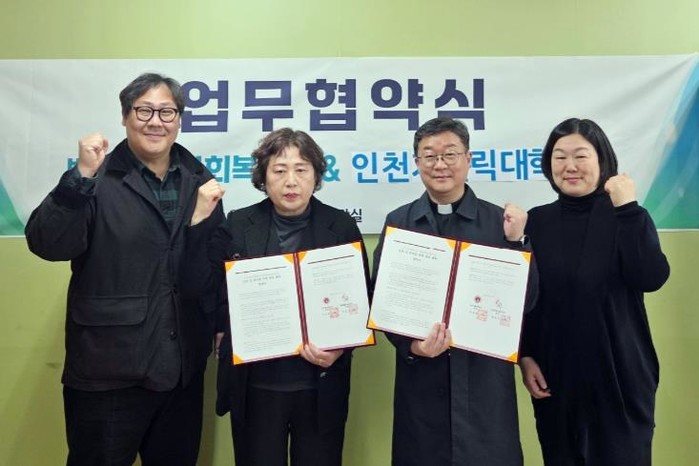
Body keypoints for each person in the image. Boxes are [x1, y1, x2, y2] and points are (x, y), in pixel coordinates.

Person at [24, 72, 225, 466]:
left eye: (167, 112)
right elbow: (47, 243)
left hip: (180, 369)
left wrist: (218, 324)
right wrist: (80, 177)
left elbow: (211, 269)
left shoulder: (199, 180)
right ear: (125, 116)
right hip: (107, 370)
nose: (156, 121)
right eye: (144, 110)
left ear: (179, 119)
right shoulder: (96, 177)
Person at [182, 128, 369, 466]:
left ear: (316, 176)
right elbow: (205, 286)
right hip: (255, 385)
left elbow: (360, 300)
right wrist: (222, 326)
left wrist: (342, 347)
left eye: (301, 169)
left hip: (320, 382)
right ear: (263, 178)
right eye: (279, 170)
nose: (291, 181)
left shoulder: (340, 226)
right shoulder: (239, 224)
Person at [372, 116, 537, 466]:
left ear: (468, 159)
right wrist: (412, 347)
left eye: (450, 154)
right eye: (429, 156)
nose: (440, 164)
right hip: (422, 378)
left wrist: (517, 243)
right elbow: (384, 300)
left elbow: (528, 300)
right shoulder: (399, 223)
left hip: (484, 380)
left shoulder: (500, 222)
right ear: (416, 162)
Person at [519, 118, 670, 465]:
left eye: (580, 156)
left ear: (602, 160)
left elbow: (651, 277)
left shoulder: (627, 215)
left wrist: (628, 209)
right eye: (560, 157)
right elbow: (528, 300)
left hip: (621, 375)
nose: (570, 166)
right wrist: (526, 355)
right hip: (557, 377)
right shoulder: (537, 221)